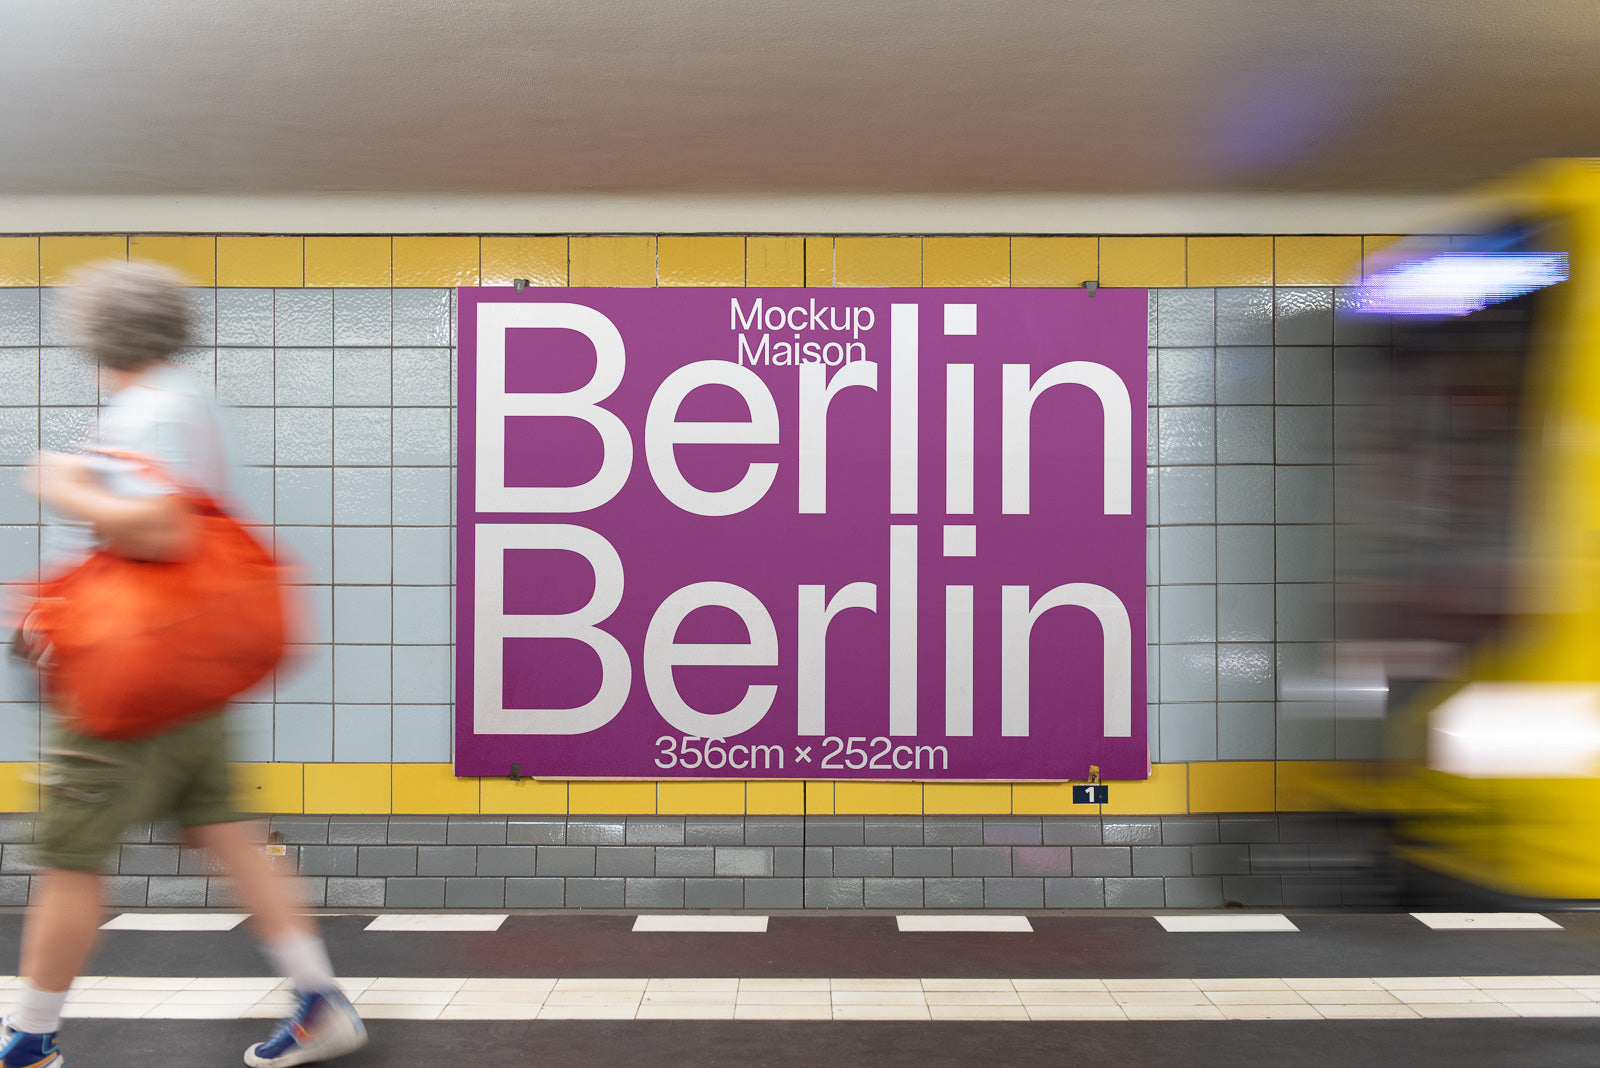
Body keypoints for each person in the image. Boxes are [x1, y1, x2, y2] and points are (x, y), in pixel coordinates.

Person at [0, 260, 366, 1068]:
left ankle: (28, 1038)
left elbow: (159, 532)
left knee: (69, 857)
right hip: (190, 670)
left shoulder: (146, 412)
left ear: (95, 336)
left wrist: (58, 481)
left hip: (125, 678)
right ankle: (318, 998)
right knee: (229, 834)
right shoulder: (197, 407)